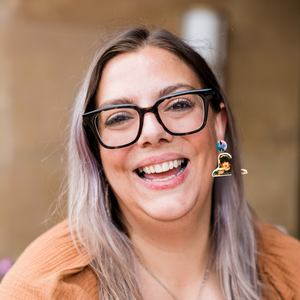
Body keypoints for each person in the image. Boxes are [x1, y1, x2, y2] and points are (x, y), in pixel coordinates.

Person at [1, 26, 300, 300]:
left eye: (179, 104)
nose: (153, 132)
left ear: (218, 124)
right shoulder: (40, 290)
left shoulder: (291, 273)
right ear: (95, 149)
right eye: (119, 117)